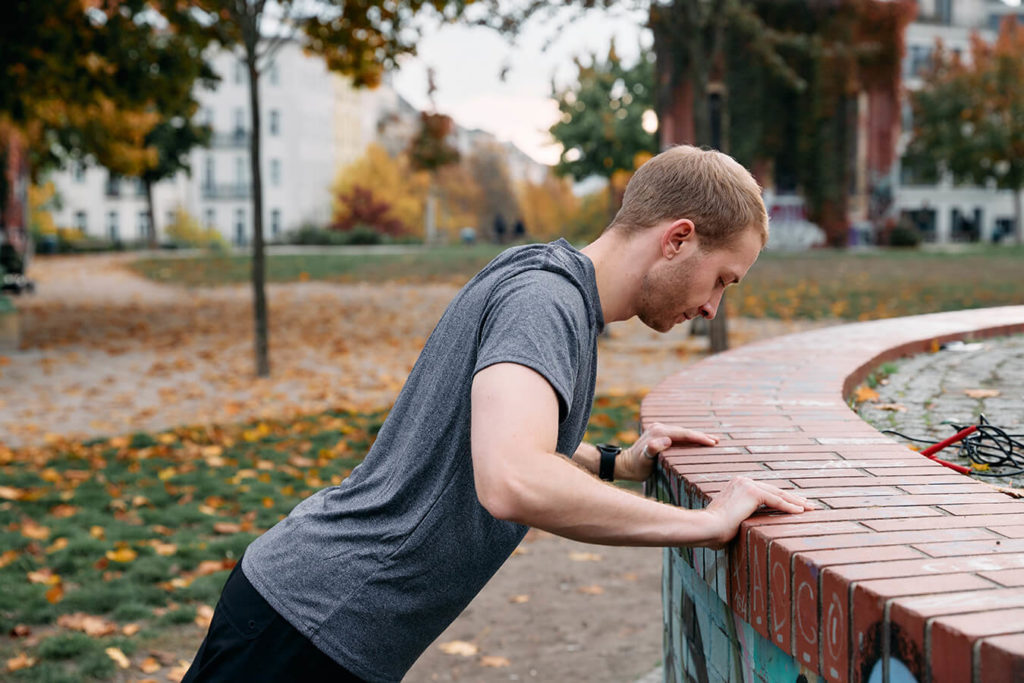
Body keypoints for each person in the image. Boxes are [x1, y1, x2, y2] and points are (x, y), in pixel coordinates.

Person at [182, 145, 814, 683]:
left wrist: (619, 462)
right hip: (310, 623)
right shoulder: (545, 303)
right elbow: (513, 480)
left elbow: (489, 442)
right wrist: (706, 524)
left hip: (313, 615)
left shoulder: (545, 278)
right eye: (723, 280)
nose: (713, 308)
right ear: (678, 239)